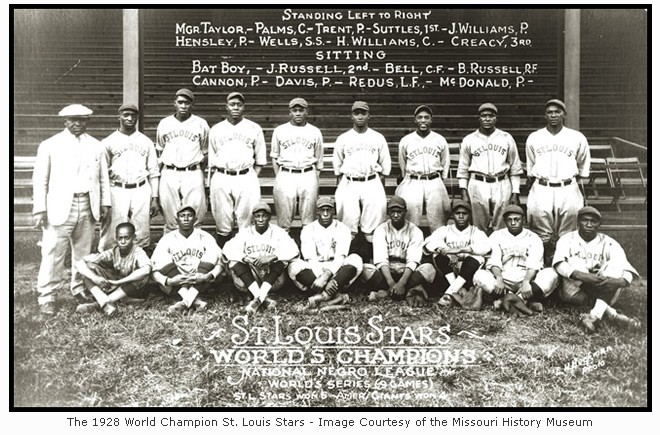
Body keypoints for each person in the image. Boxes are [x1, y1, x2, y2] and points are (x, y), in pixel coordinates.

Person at [32, 104, 111, 315]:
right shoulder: (50, 145)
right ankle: (47, 296)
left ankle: (80, 288)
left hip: (87, 204)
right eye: (73, 120)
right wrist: (40, 209)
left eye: (82, 120)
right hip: (58, 206)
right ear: (65, 121)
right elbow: (40, 180)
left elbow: (103, 178)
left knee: (83, 254)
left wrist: (104, 203)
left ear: (88, 121)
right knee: (52, 252)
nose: (78, 124)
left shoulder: (97, 146)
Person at [553, 206, 641, 333]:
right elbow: (559, 265)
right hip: (574, 292)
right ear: (578, 222)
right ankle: (613, 314)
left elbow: (626, 270)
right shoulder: (567, 239)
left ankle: (594, 316)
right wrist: (584, 276)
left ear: (599, 224)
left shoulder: (609, 242)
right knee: (575, 262)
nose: (589, 224)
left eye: (593, 221)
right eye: (585, 220)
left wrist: (619, 282)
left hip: (606, 289)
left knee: (615, 265)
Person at [526, 99, 590, 261]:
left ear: (564, 114)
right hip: (542, 186)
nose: (554, 115)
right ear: (545, 116)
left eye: (557, 111)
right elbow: (531, 163)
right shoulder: (534, 137)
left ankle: (567, 265)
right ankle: (541, 265)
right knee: (541, 231)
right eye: (550, 112)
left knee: (568, 231)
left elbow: (583, 164)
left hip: (568, 186)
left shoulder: (576, 137)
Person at [472, 204, 559, 312]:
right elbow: (493, 260)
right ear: (504, 221)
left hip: (527, 279)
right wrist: (499, 278)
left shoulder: (533, 237)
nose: (513, 223)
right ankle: (524, 302)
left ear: (524, 220)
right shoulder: (497, 235)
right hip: (504, 279)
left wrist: (526, 281)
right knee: (479, 275)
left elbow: (534, 263)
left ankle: (508, 301)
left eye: (516, 219)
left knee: (552, 274)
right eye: (509, 220)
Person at [208, 92, 267, 247]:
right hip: (222, 175)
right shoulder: (216, 129)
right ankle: (224, 261)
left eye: (239, 105)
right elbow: (212, 158)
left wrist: (249, 175)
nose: (235, 107)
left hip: (245, 176)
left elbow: (260, 160)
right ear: (226, 107)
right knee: (222, 220)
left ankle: (244, 258)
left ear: (243, 107)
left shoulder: (254, 128)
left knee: (246, 220)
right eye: (232, 104)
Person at [332, 101, 391, 256]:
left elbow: (385, 167)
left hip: (371, 181)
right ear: (351, 116)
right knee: (347, 226)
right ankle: (345, 262)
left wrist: (378, 185)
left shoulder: (378, 137)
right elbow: (337, 168)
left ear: (368, 116)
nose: (360, 116)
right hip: (350, 181)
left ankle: (374, 262)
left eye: (363, 113)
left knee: (373, 228)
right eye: (356, 113)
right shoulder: (343, 138)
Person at [98, 103, 160, 251]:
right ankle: (108, 260)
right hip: (117, 188)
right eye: (126, 115)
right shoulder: (108, 141)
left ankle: (138, 261)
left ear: (137, 118)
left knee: (141, 228)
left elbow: (154, 171)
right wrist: (104, 199)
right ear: (118, 116)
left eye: (133, 115)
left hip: (141, 188)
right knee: (113, 227)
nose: (130, 118)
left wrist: (155, 197)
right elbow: (102, 173)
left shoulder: (146, 141)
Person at [457, 103, 523, 233]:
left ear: (496, 118)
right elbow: (463, 169)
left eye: (491, 116)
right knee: (478, 225)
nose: (487, 119)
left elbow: (515, 168)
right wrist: (464, 191)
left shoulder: (506, 138)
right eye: (484, 116)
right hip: (477, 183)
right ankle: (480, 251)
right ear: (479, 118)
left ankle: (500, 250)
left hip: (501, 182)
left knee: (502, 225)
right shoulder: (469, 139)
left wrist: (515, 192)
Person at [223, 202, 299, 314]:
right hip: (249, 279)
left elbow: (294, 250)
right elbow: (227, 249)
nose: (260, 219)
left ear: (269, 217)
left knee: (282, 260)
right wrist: (246, 258)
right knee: (234, 260)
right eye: (257, 216)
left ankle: (258, 296)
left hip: (273, 280)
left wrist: (273, 257)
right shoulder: (246, 232)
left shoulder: (278, 232)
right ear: (253, 218)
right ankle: (261, 297)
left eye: (264, 215)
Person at [359, 196, 436, 307]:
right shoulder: (381, 229)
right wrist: (391, 283)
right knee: (364, 268)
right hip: (387, 272)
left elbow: (413, 261)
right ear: (388, 212)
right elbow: (381, 260)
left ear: (405, 212)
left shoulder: (415, 231)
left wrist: (401, 283)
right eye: (392, 211)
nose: (395, 215)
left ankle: (386, 293)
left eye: (399, 211)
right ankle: (405, 291)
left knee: (429, 269)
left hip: (406, 271)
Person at [288, 197, 363, 308]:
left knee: (355, 259)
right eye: (322, 210)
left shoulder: (343, 228)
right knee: (294, 266)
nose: (325, 213)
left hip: (336, 269)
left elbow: (340, 257)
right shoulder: (308, 229)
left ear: (333, 211)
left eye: (328, 210)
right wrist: (321, 278)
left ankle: (323, 296)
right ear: (317, 211)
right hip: (315, 269)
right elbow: (311, 258)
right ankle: (336, 295)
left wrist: (326, 276)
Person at [151, 205, 224, 314]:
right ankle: (194, 301)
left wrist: (207, 276)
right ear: (176, 220)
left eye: (189, 216)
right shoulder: (167, 238)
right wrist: (168, 281)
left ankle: (185, 302)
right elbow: (153, 267)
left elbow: (221, 262)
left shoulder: (205, 236)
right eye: (182, 216)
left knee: (212, 254)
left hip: (201, 280)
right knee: (161, 258)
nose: (185, 219)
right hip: (176, 282)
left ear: (195, 220)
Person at [156, 88, 209, 233]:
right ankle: (169, 248)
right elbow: (160, 150)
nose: (183, 106)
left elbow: (205, 152)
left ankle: (195, 245)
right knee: (170, 214)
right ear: (175, 103)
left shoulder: (201, 123)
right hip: (169, 171)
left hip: (192, 171)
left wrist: (198, 170)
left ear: (191, 104)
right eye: (180, 102)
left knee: (195, 213)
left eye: (187, 102)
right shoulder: (164, 123)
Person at [395, 105, 451, 232]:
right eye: (420, 117)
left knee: (438, 219)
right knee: (410, 217)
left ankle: (437, 248)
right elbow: (402, 162)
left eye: (426, 117)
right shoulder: (406, 140)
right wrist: (405, 177)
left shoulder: (440, 139)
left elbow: (445, 161)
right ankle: (410, 246)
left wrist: (442, 179)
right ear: (415, 120)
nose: (423, 120)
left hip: (434, 179)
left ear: (431, 120)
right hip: (413, 180)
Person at [75, 222, 151, 316]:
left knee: (142, 276)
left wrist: (119, 282)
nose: (123, 241)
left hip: (134, 290)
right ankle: (104, 300)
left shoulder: (138, 252)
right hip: (117, 287)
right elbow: (79, 262)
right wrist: (95, 278)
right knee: (88, 268)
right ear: (116, 238)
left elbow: (146, 269)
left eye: (126, 238)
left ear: (134, 238)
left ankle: (97, 304)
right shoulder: (114, 251)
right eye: (120, 238)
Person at [271, 97, 324, 232]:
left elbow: (318, 159)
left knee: (309, 221)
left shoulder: (314, 131)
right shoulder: (280, 130)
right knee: (284, 221)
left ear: (306, 112)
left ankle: (308, 252)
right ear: (290, 112)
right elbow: (275, 156)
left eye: (301, 110)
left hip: (307, 173)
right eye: (295, 110)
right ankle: (285, 251)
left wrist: (314, 177)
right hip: (286, 173)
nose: (298, 113)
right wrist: (280, 176)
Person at [424, 200, 490, 307]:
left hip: (469, 275)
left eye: (464, 214)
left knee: (477, 257)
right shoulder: (445, 230)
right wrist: (446, 250)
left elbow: (486, 247)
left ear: (469, 215)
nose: (460, 216)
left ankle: (449, 293)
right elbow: (428, 243)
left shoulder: (475, 232)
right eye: (457, 213)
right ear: (452, 215)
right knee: (438, 254)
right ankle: (457, 289)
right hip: (450, 273)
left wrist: (461, 250)